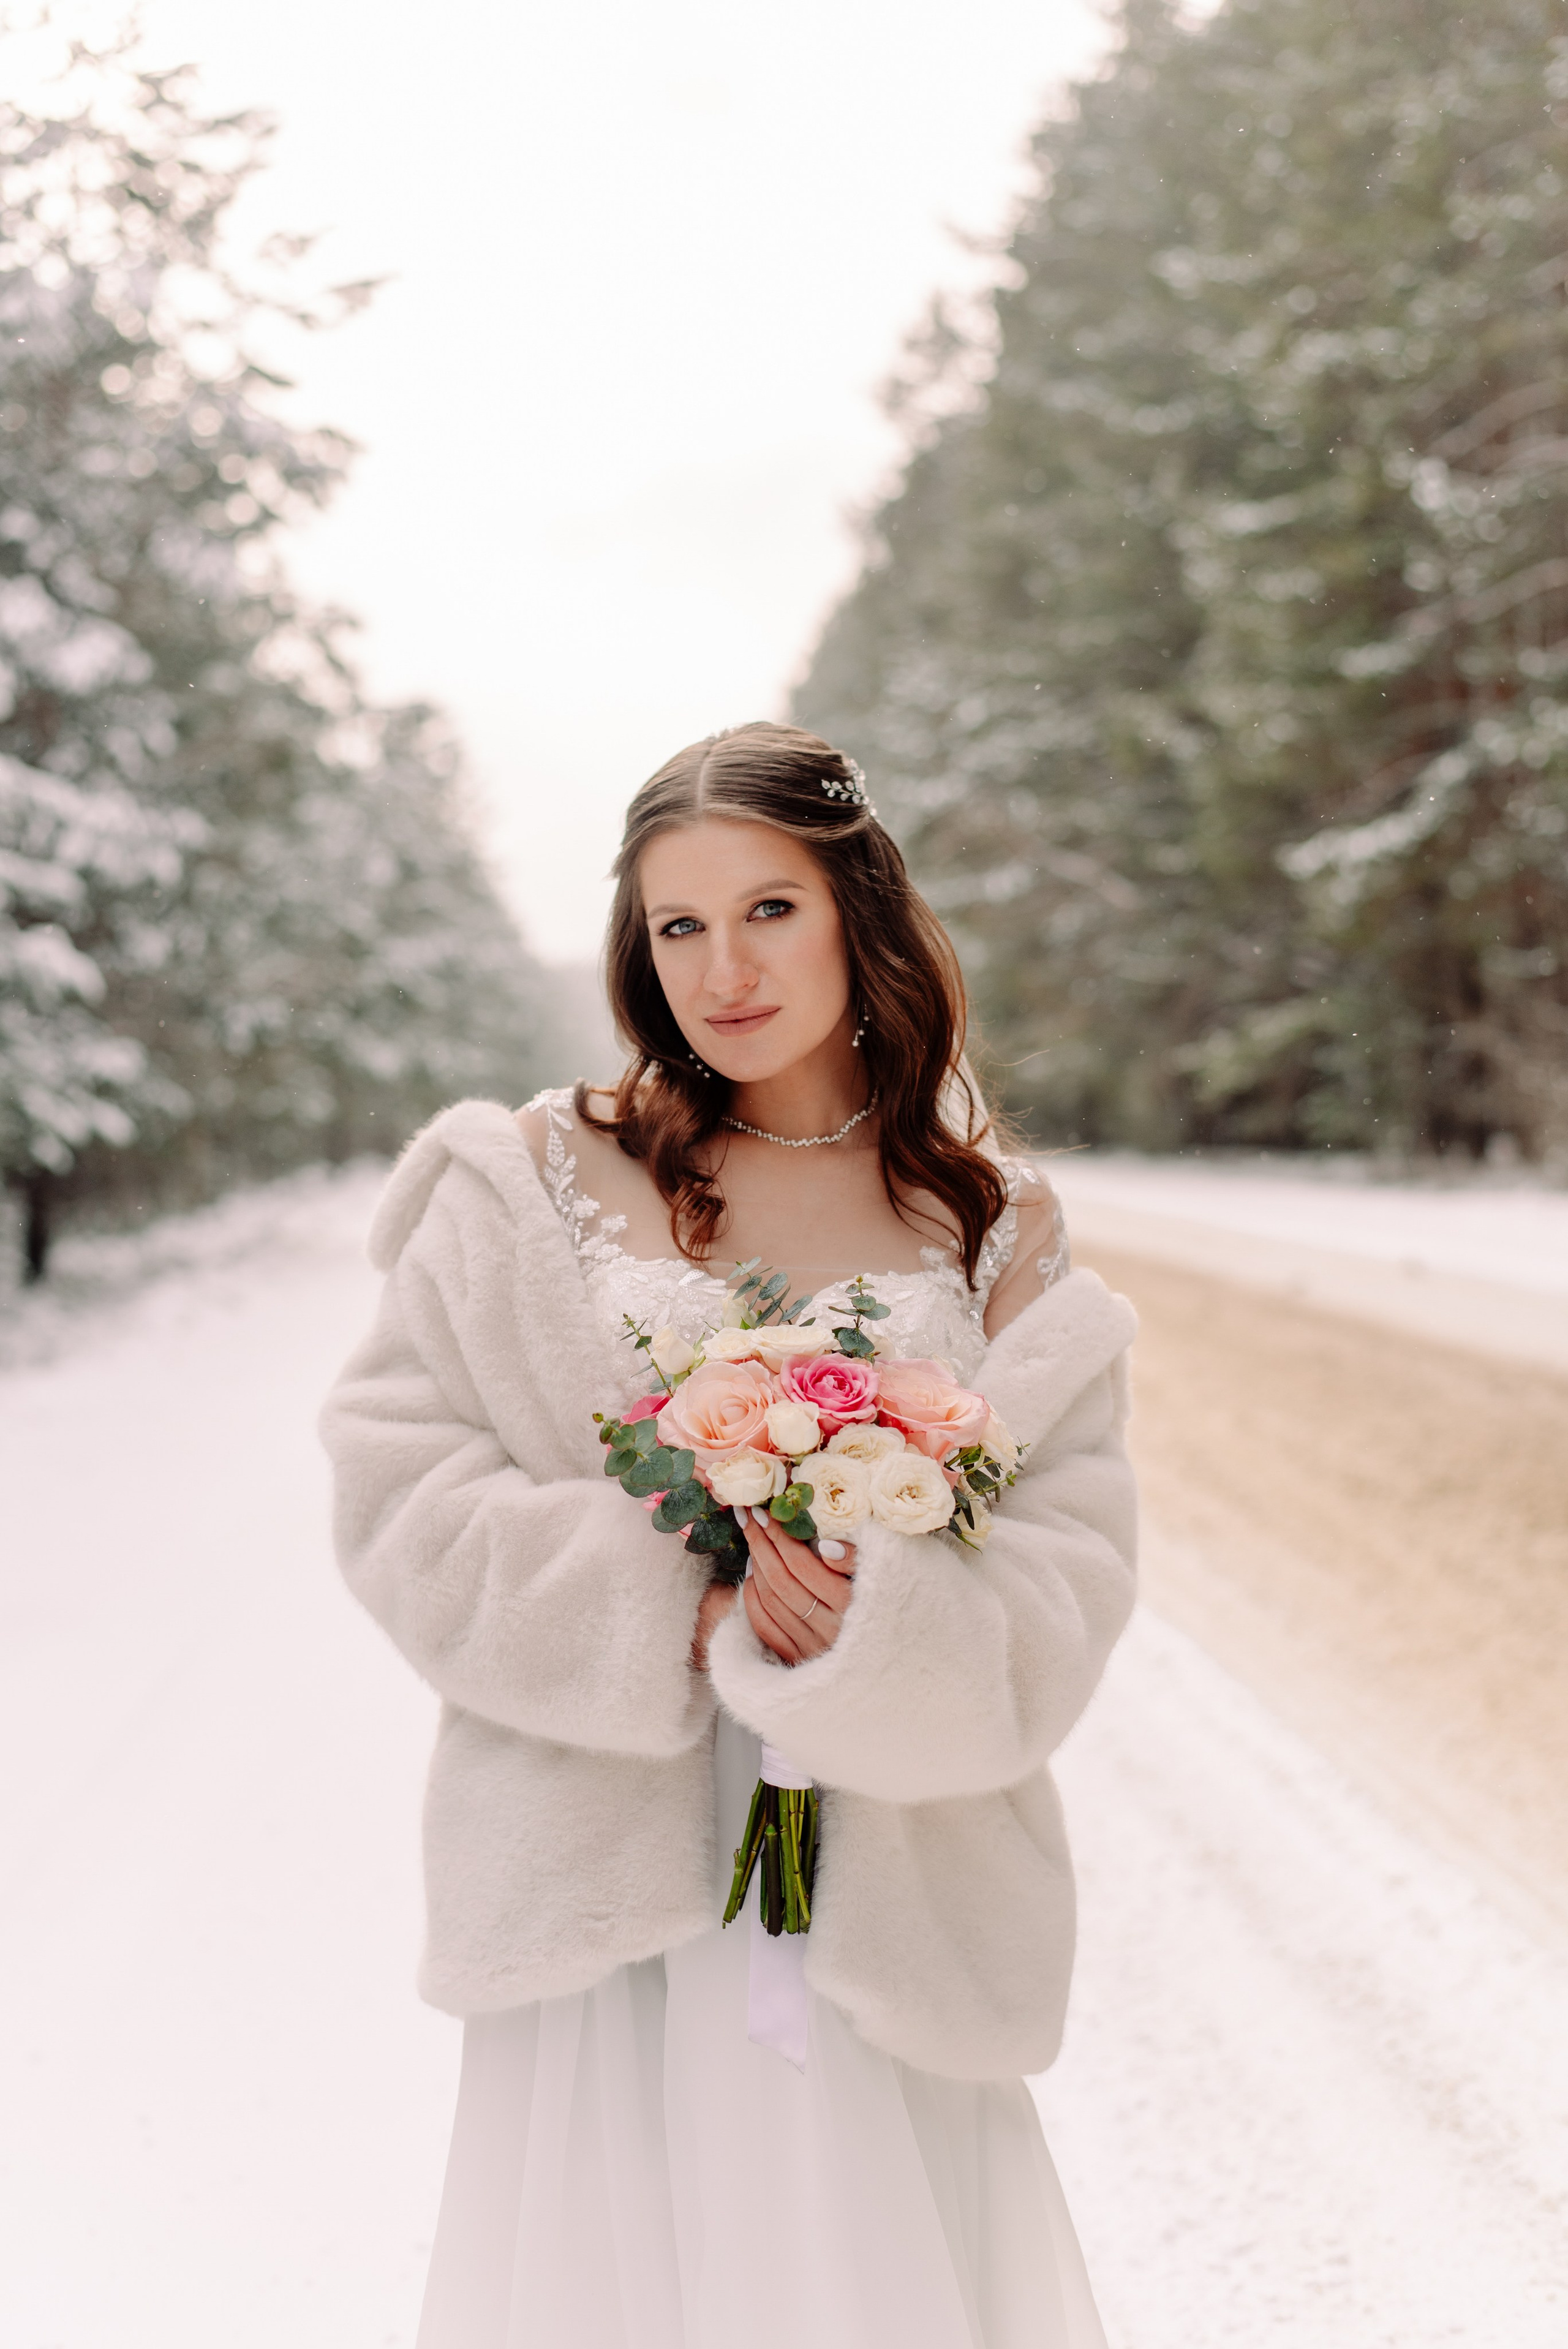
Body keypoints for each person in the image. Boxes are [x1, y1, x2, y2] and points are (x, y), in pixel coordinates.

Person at [320, 722, 1138, 2349]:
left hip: (885, 1894)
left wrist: (870, 1632)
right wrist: (679, 1616)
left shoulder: (995, 1222)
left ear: (858, 911)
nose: (724, 970)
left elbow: (1071, 1572)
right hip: (600, 1881)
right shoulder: (537, 1177)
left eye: (769, 909)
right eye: (678, 925)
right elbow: (399, 1489)